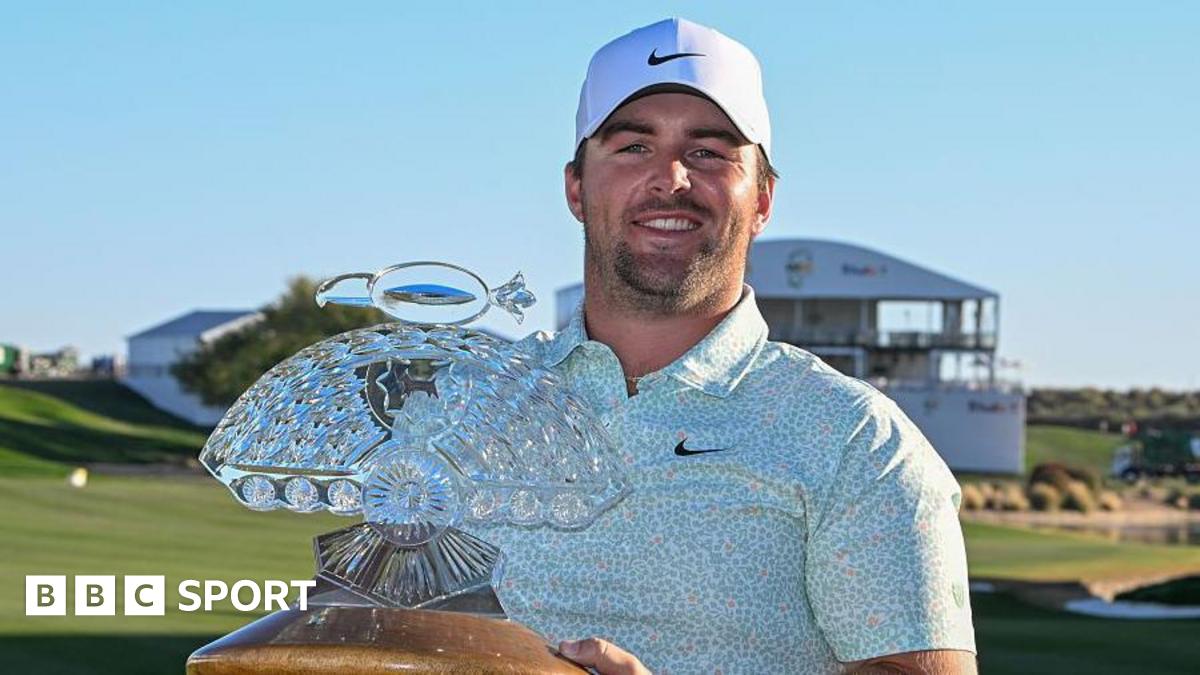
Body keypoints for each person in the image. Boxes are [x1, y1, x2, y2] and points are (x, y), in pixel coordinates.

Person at [491, 18, 977, 674]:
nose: (672, 178)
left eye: (710, 152)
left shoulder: (855, 440)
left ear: (763, 198)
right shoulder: (470, 402)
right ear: (577, 187)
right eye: (633, 147)